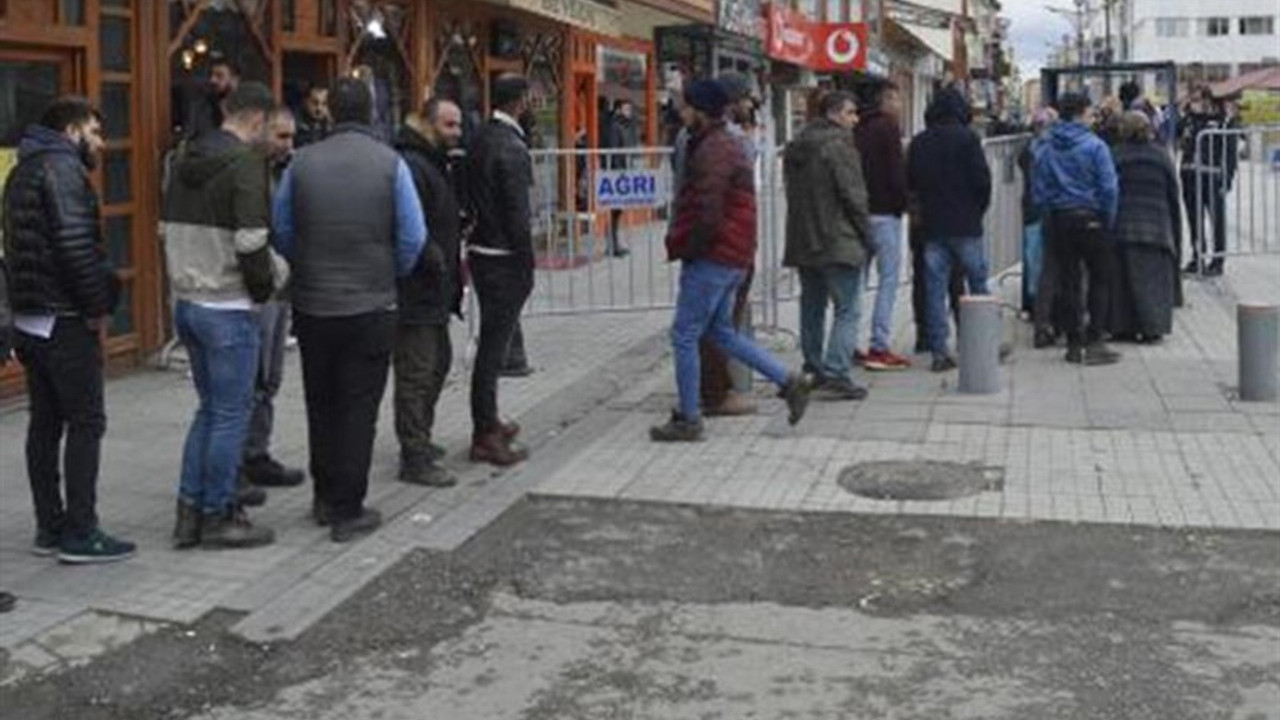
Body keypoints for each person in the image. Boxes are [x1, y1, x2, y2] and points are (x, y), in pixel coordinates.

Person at [272, 78, 427, 542]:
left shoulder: (301, 163)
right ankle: (348, 508)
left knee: (322, 402)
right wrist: (386, 271)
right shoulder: (390, 164)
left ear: (329, 112)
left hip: (315, 305)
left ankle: (323, 496)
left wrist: (307, 262)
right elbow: (412, 237)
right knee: (360, 406)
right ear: (373, 109)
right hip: (372, 303)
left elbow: (280, 228)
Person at [2, 96, 133, 563]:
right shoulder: (63, 170)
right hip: (65, 319)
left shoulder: (22, 171)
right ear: (73, 130)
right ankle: (81, 531)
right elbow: (77, 250)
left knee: (45, 422)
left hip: (31, 318)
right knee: (85, 421)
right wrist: (99, 307)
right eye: (95, 132)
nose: (101, 142)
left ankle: (49, 526)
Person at [651, 79, 810, 442]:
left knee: (685, 334)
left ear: (701, 110)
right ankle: (788, 380)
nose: (681, 111)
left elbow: (706, 211)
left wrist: (685, 246)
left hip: (713, 255)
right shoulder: (722, 142)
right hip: (733, 253)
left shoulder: (714, 149)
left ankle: (689, 418)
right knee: (720, 331)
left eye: (686, 105)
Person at [164, 82, 286, 549]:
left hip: (189, 302)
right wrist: (265, 291)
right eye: (270, 128)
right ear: (255, 120)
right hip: (229, 306)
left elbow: (165, 230)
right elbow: (252, 243)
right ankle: (218, 514)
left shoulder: (183, 160)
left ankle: (188, 513)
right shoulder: (244, 165)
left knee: (209, 411)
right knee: (230, 415)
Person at [393, 98, 466, 488]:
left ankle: (420, 437)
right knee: (418, 371)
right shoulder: (413, 163)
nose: (456, 131)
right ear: (427, 124)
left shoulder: (433, 161)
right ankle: (413, 453)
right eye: (449, 125)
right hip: (416, 289)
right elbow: (408, 229)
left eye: (458, 125)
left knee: (437, 363)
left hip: (435, 288)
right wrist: (431, 259)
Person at [784, 90, 874, 401]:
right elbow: (854, 195)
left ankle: (813, 367)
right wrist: (868, 234)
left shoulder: (798, 145)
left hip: (804, 238)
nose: (855, 120)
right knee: (848, 308)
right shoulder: (839, 145)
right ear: (834, 114)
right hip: (837, 238)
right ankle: (837, 371)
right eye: (851, 113)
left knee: (812, 305)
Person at [466, 74, 536, 466]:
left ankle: (488, 419)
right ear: (520, 101)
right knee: (493, 349)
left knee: (493, 345)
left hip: (482, 249)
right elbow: (516, 211)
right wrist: (527, 261)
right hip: (502, 255)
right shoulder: (509, 145)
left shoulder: (479, 137)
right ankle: (484, 432)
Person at [238, 107, 305, 495]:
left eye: (292, 137)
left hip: (282, 287)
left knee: (271, 377)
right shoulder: (247, 173)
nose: (289, 145)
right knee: (253, 378)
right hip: (258, 289)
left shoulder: (285, 172)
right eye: (281, 136)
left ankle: (257, 453)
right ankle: (238, 464)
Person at [906, 86, 992, 373]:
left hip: (932, 226)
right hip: (966, 223)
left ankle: (939, 351)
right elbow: (982, 182)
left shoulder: (919, 142)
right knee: (977, 285)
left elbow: (911, 183)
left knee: (935, 289)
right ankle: (981, 344)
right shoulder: (969, 140)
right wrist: (977, 211)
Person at [1032, 92, 1121, 366]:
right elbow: (1109, 187)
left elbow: (1039, 189)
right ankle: (1095, 340)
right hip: (1091, 217)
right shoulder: (1095, 147)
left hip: (1060, 218)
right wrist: (1108, 217)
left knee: (1068, 280)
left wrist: (1051, 208)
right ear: (1081, 113)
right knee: (1100, 279)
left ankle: (1073, 343)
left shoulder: (1046, 146)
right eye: (1090, 112)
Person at [693, 71, 759, 418]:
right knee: (715, 325)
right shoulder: (729, 141)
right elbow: (713, 199)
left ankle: (706, 393)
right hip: (726, 244)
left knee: (708, 326)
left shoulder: (707, 138)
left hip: (719, 243)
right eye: (747, 97)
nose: (752, 103)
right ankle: (714, 393)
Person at [1107, 111, 1181, 343]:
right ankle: (1153, 327)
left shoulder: (1115, 155)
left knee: (1121, 280)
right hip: (1156, 225)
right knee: (1154, 278)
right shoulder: (1161, 156)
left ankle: (1122, 327)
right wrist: (1175, 232)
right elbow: (1172, 194)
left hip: (1122, 225)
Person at [854, 81, 911, 371]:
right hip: (885, 214)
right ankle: (879, 345)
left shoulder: (857, 127)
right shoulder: (887, 128)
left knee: (857, 281)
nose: (900, 106)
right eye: (896, 99)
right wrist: (904, 205)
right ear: (884, 101)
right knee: (888, 280)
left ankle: (847, 341)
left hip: (859, 214)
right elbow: (895, 173)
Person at [1178, 88, 1237, 276]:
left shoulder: (1221, 122)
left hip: (1212, 176)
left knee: (1216, 219)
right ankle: (1198, 257)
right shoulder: (1188, 120)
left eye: (1197, 99)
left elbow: (1230, 153)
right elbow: (1173, 132)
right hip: (1189, 176)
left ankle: (1217, 260)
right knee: (1194, 219)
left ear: (1207, 101)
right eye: (1192, 99)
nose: (1194, 103)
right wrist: (1181, 109)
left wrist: (1227, 179)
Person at [1019, 107, 1061, 346]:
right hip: (1048, 210)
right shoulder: (1051, 150)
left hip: (1033, 210)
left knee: (1035, 260)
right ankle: (1049, 315)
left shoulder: (1028, 150)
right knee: (1048, 262)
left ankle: (1036, 308)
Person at [606, 98, 639, 257]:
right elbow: (614, 150)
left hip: (624, 170)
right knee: (615, 209)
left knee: (618, 211)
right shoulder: (615, 126)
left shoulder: (626, 126)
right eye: (626, 109)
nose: (629, 112)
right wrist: (617, 171)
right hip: (618, 173)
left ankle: (615, 243)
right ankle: (613, 244)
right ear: (619, 109)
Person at [295, 84, 331, 148]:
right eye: (315, 103)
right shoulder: (295, 126)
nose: (319, 108)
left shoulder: (330, 127)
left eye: (324, 104)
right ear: (305, 102)